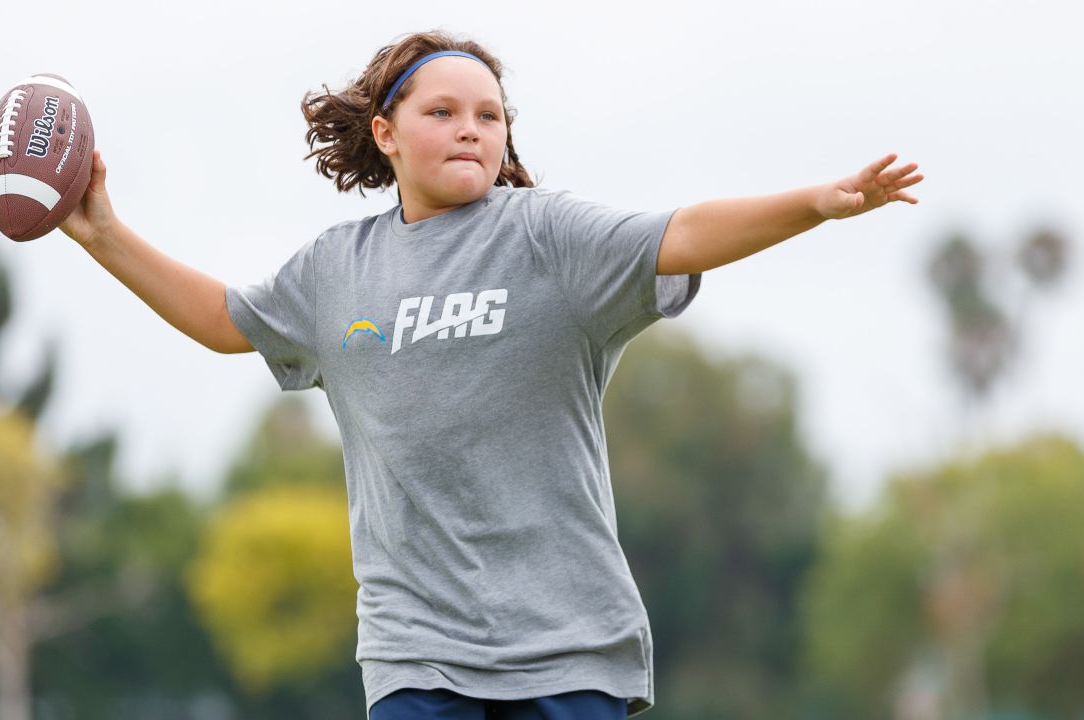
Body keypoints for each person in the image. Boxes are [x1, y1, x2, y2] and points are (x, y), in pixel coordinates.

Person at [58, 30, 923, 720]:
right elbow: (222, 322)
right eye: (443, 110)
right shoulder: (336, 271)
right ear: (386, 134)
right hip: (413, 650)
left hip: (567, 641)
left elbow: (685, 231)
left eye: (490, 114)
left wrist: (816, 202)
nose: (472, 127)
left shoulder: (550, 239)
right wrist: (102, 233)